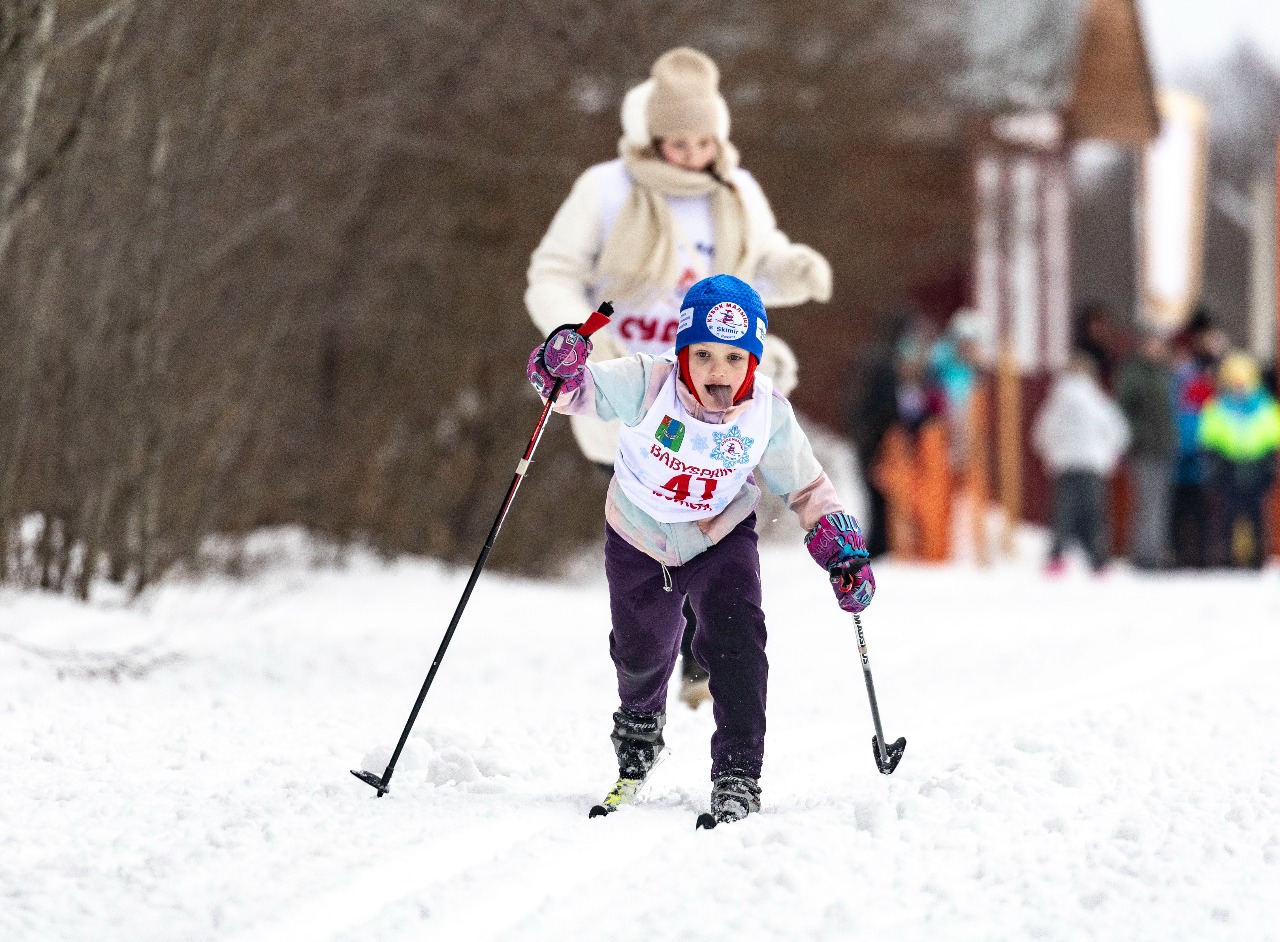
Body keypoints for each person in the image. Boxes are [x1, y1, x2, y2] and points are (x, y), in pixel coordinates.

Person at [526, 47, 832, 708]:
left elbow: (758, 264)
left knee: (714, 511)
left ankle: (700, 658)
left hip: (718, 390)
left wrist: (795, 271)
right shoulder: (606, 189)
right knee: (649, 517)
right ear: (652, 136)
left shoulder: (737, 191)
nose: (691, 153)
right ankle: (651, 654)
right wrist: (578, 341)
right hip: (634, 385)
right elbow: (552, 273)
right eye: (677, 141)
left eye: (703, 140)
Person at [526, 275, 873, 826]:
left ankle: (738, 771)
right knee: (641, 651)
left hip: (720, 535)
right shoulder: (648, 381)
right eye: (704, 354)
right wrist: (557, 366)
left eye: (736, 359)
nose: (719, 371)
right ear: (682, 350)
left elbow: (806, 487)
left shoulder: (766, 414)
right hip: (639, 533)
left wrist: (841, 551)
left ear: (754, 364)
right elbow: (570, 393)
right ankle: (640, 727)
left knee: (738, 643)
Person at [1032, 351, 1130, 574]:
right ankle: (1098, 560)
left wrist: (1052, 454)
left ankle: (1056, 557)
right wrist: (1108, 455)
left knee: (1063, 511)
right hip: (1092, 463)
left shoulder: (1057, 400)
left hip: (1065, 464)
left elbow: (1042, 433)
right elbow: (1118, 430)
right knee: (1094, 513)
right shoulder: (1096, 400)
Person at [1197, 352, 1280, 569]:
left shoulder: (1265, 406)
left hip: (1257, 467)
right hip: (1228, 468)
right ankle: (1227, 558)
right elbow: (1208, 437)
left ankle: (1256, 559)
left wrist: (1269, 464)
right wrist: (1215, 465)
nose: (1240, 387)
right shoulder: (1217, 406)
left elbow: (1273, 437)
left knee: (1255, 516)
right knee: (1228, 516)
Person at [1116, 327, 1178, 569]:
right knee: (1147, 503)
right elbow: (1122, 411)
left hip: (1163, 445)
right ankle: (1143, 554)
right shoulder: (1134, 374)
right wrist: (1135, 437)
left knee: (1160, 503)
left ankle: (1156, 551)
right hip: (1143, 448)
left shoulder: (1165, 373)